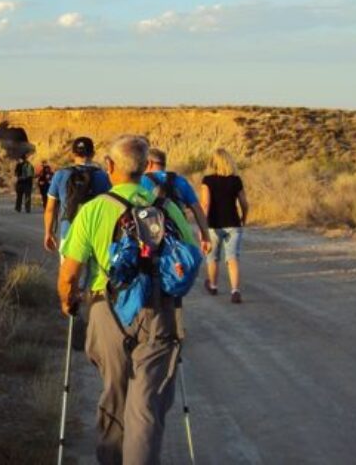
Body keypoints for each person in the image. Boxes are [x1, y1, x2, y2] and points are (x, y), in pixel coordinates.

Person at [57, 135, 198, 464]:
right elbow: (189, 254)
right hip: (160, 311)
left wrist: (69, 302)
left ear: (110, 168)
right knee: (146, 407)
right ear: (145, 167)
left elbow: (69, 273)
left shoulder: (93, 210)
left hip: (107, 310)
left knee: (115, 395)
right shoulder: (166, 208)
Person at [44, 137, 112, 253]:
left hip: (69, 234)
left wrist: (48, 233)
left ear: (73, 153)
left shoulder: (60, 175)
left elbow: (50, 209)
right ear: (93, 154)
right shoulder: (103, 176)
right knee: (93, 271)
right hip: (95, 236)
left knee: (68, 271)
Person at [140, 148, 212, 255]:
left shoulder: (141, 181)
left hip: (152, 239)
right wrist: (205, 236)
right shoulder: (180, 181)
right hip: (179, 236)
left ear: (148, 163)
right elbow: (197, 209)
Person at [200, 148, 249, 304]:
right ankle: (235, 290)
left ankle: (213, 285)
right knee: (232, 258)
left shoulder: (207, 180)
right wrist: (244, 218)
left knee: (212, 257)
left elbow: (205, 204)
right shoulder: (236, 180)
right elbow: (244, 203)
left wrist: (203, 228)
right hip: (233, 223)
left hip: (214, 225)